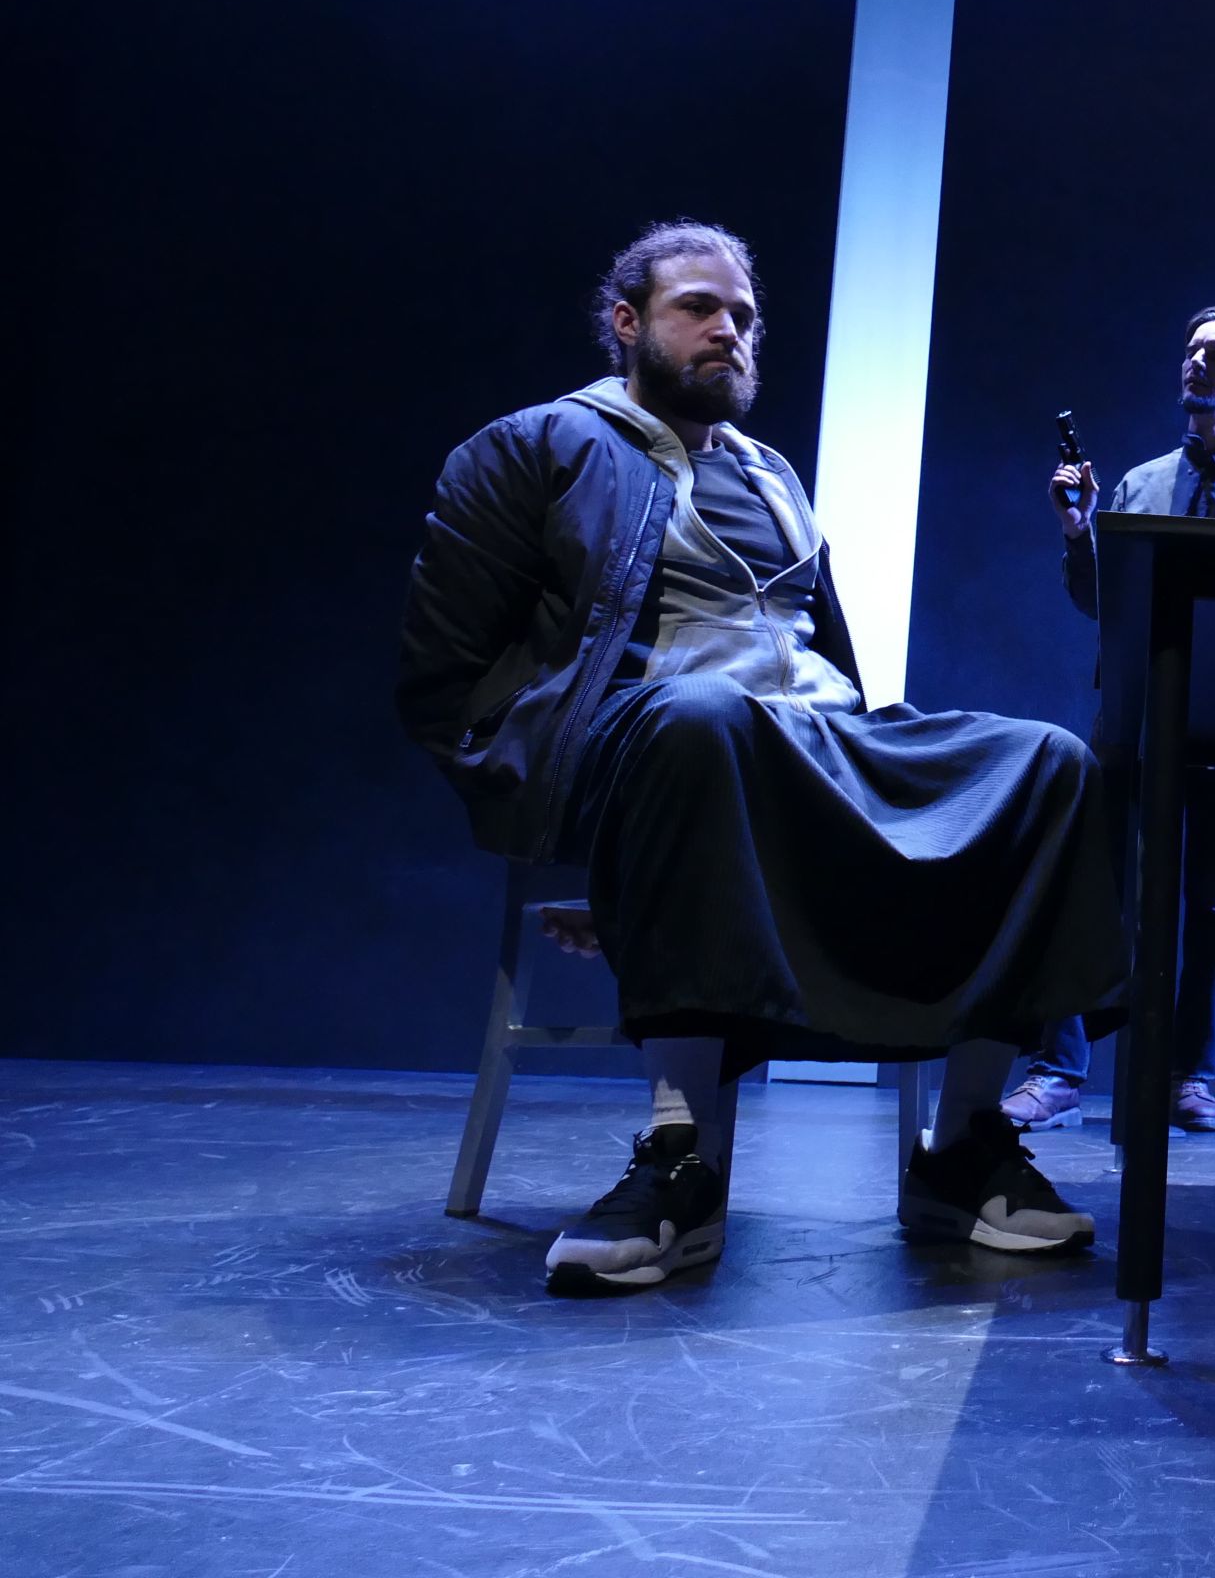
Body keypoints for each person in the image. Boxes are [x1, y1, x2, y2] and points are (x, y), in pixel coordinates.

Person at [397, 221, 1123, 1292]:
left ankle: (965, 1148)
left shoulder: (771, 474)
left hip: (801, 739)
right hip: (651, 739)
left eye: (744, 315)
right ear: (627, 322)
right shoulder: (536, 445)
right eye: (699, 307)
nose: (729, 330)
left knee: (1047, 760)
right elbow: (444, 676)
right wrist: (580, 835)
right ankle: (680, 1156)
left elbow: (824, 658)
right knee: (703, 720)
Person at [1001, 306, 1215, 1135]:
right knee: (1094, 892)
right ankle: (1058, 1071)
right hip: (1136, 717)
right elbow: (1099, 603)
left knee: (1213, 905)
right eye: (1190, 350)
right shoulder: (1139, 486)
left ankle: (1189, 1075)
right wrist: (1077, 529)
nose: (1197, 362)